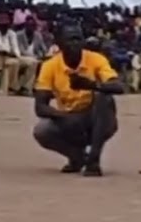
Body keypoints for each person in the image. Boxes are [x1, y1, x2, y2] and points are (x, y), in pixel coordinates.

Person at [32, 25, 126, 176]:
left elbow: (119, 87)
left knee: (104, 97)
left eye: (78, 39)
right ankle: (78, 158)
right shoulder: (50, 66)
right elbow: (40, 107)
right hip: (69, 120)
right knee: (41, 131)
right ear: (60, 43)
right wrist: (63, 117)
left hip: (97, 120)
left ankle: (94, 159)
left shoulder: (96, 59)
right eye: (70, 40)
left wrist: (92, 85)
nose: (75, 44)